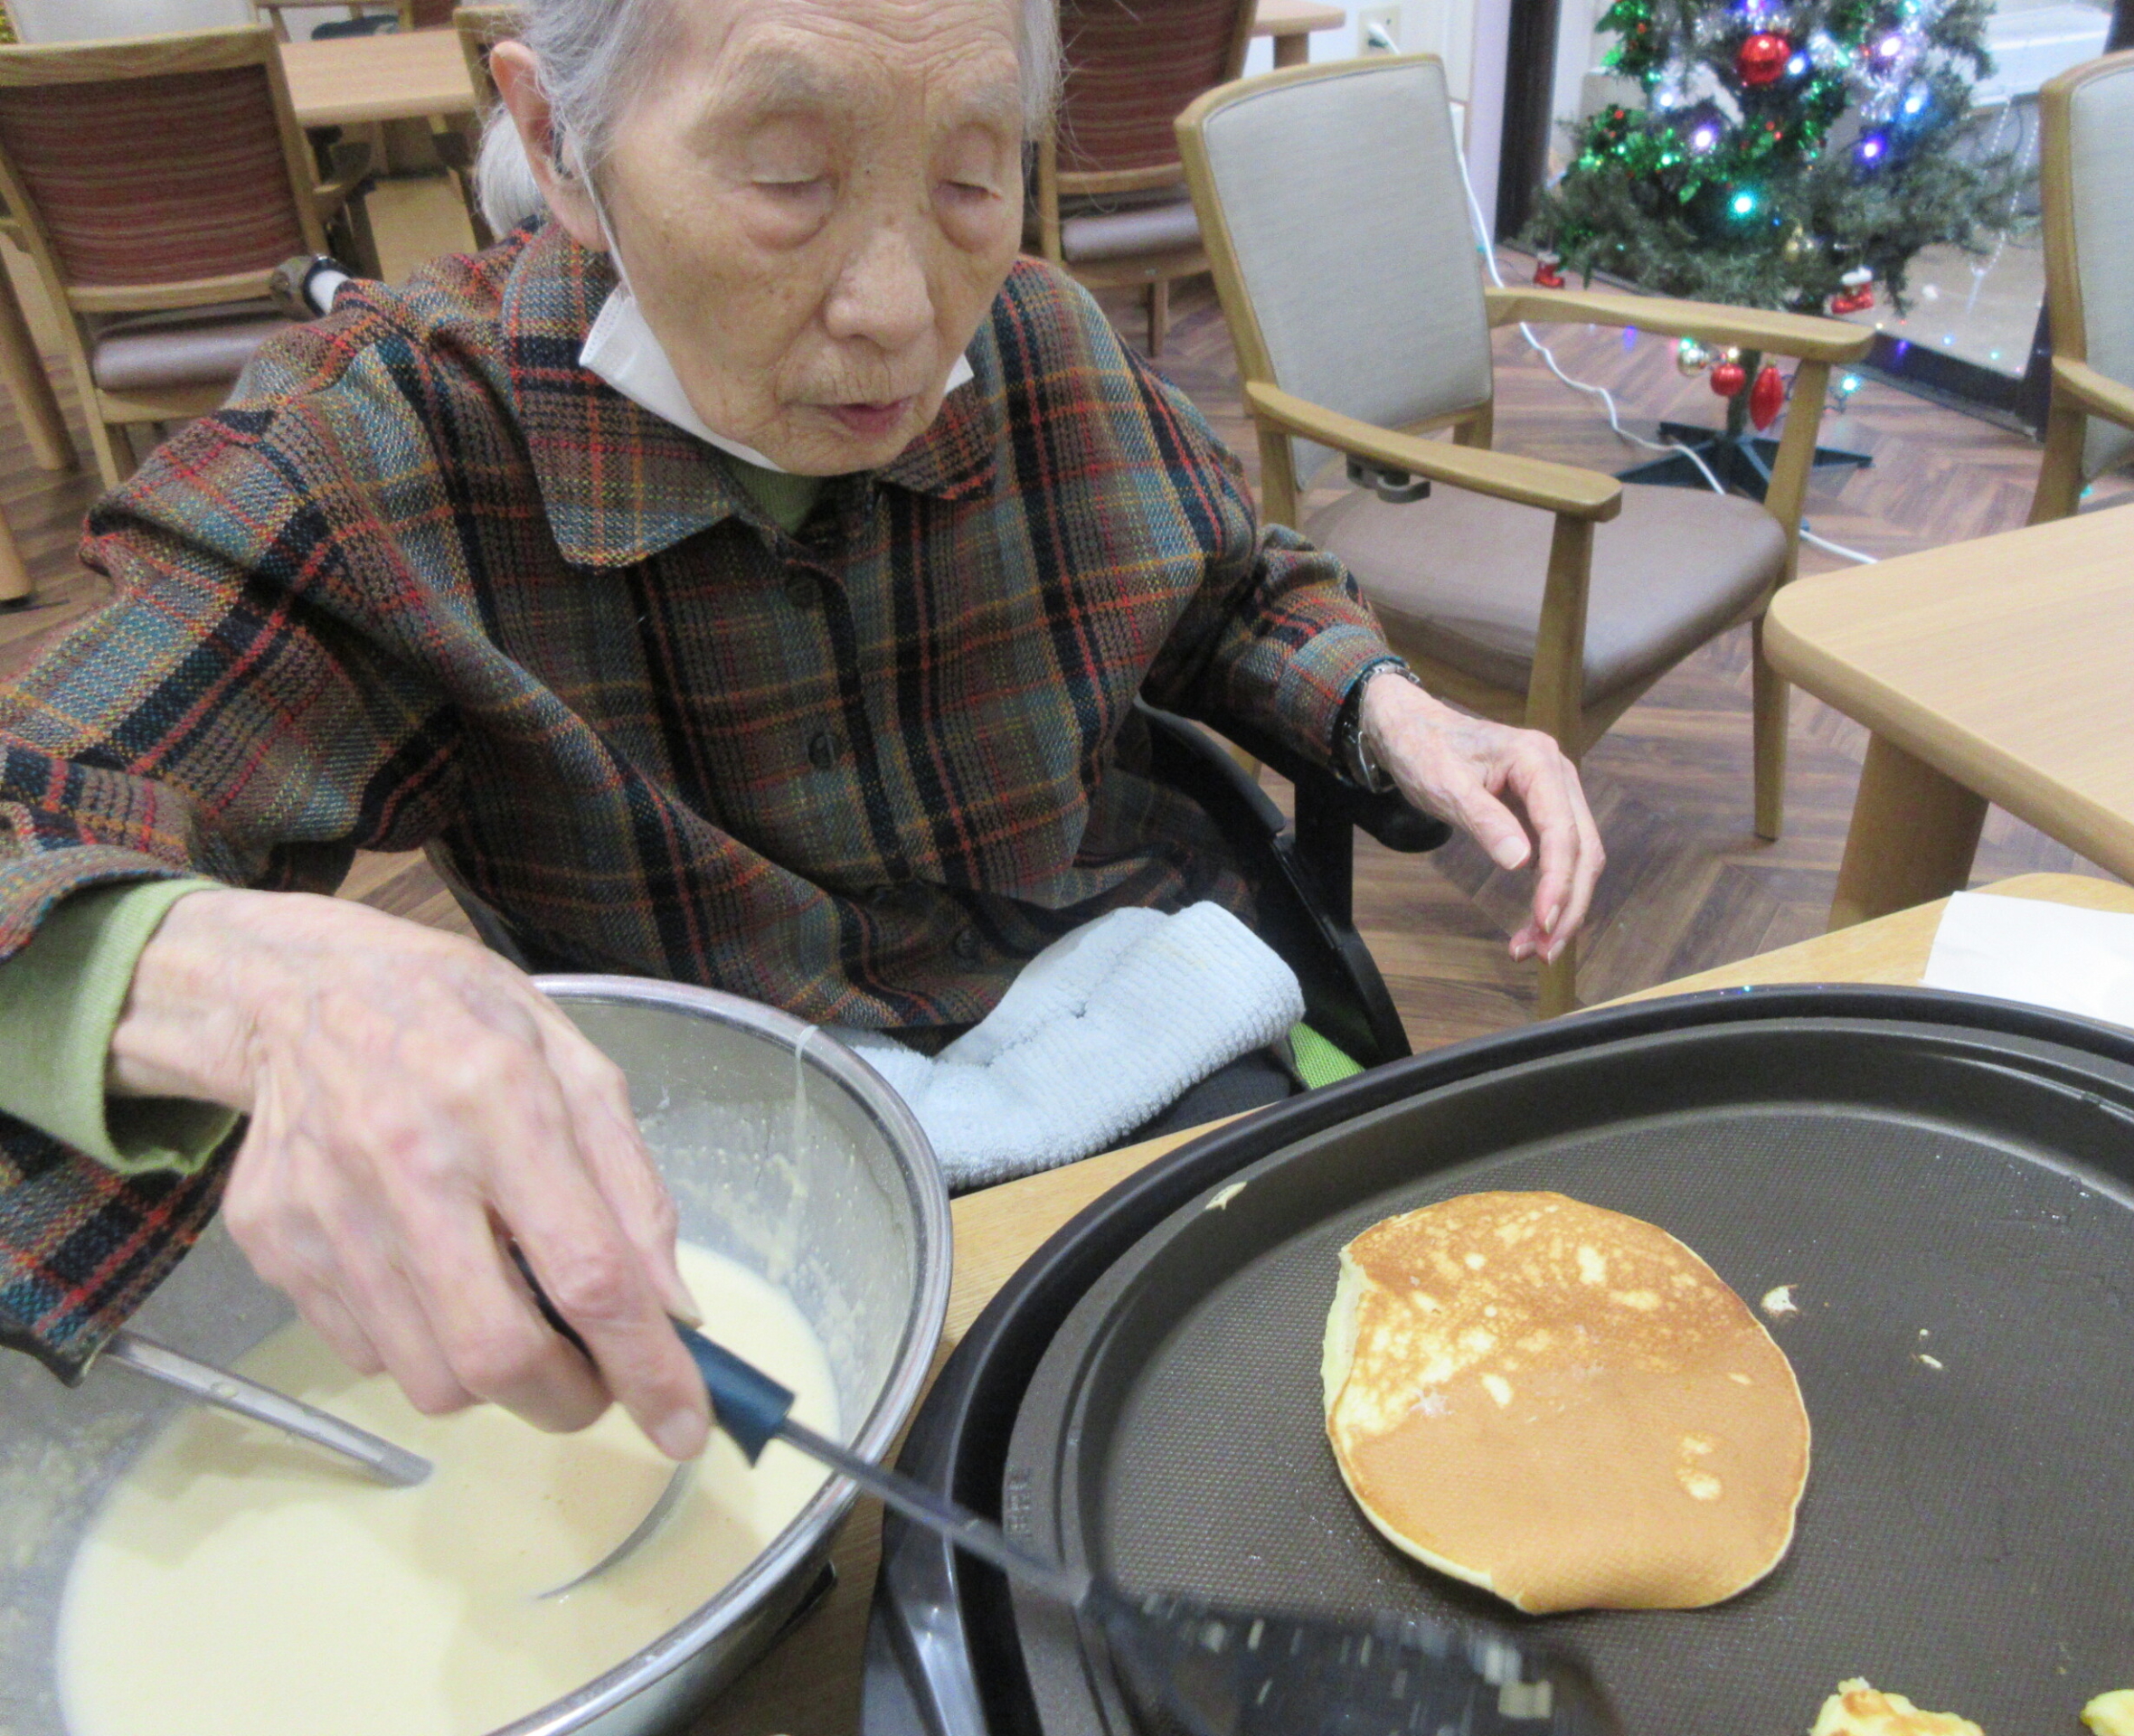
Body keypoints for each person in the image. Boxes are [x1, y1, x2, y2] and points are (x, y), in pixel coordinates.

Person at [0, 0, 1602, 1460]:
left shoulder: (1035, 342)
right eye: (786, 176)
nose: (903, 315)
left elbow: (1230, 590)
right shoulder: (396, 452)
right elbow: (42, 812)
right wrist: (258, 992)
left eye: (973, 183)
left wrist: (1389, 709)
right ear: (561, 141)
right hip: (734, 1200)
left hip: (1135, 1035)